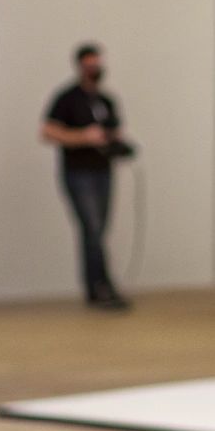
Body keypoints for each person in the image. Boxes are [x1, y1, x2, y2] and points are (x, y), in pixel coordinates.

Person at [42, 43, 130, 309]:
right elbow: (48, 131)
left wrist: (114, 140)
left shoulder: (106, 100)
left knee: (99, 231)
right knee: (91, 229)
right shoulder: (67, 98)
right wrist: (83, 136)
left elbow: (115, 130)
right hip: (78, 174)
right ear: (80, 65)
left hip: (103, 172)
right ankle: (104, 287)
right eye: (90, 64)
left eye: (98, 63)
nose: (95, 68)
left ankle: (95, 289)